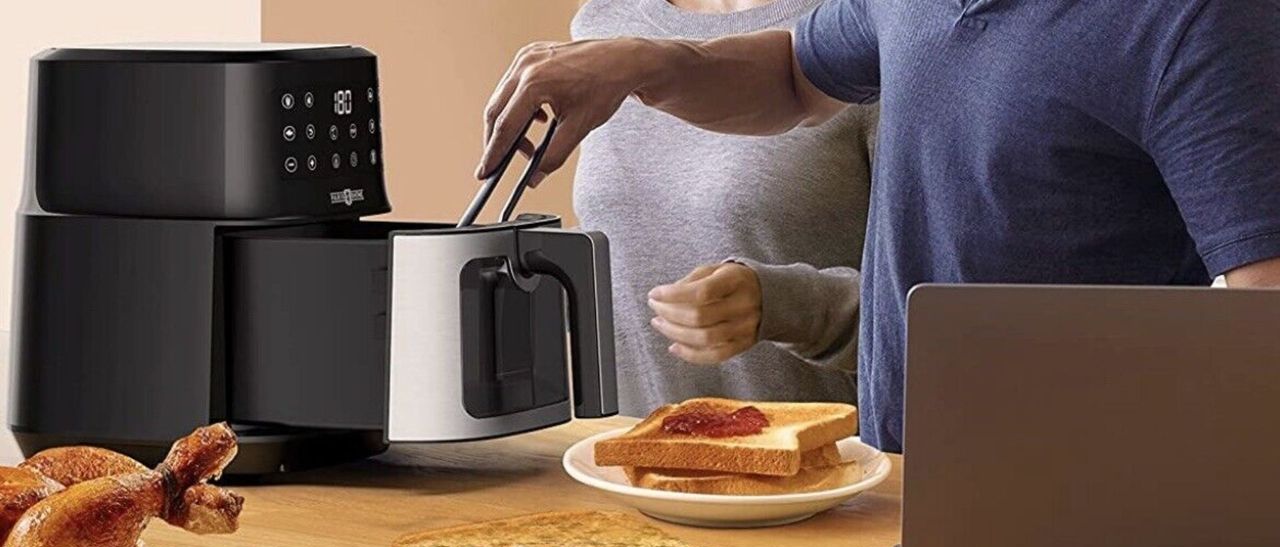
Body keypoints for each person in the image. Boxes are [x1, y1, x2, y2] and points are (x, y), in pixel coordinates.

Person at [478, 0, 1280, 452]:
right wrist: (646, 63)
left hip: (1075, 507)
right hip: (892, 480)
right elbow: (794, 76)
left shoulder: (1203, 19)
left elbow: (1264, 321)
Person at [564, 0, 876, 417]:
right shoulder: (604, 21)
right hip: (623, 466)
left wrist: (786, 306)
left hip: (823, 472)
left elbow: (940, 318)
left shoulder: (874, 30)